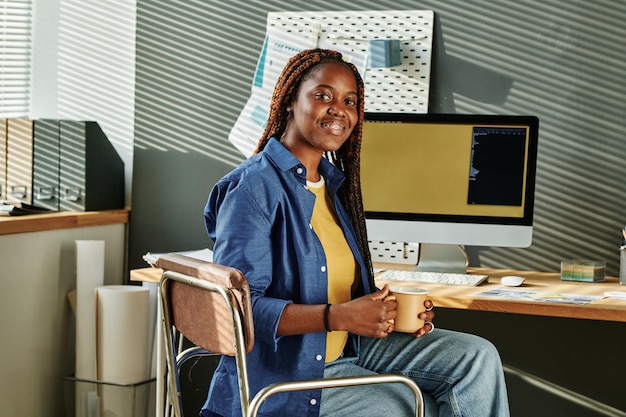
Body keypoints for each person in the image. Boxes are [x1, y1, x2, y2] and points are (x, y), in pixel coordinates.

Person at [201, 48, 510, 417]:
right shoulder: (252, 189)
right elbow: (240, 310)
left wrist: (388, 314)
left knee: (477, 358)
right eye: (322, 96)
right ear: (288, 101)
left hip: (349, 347)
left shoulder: (332, 186)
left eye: (350, 101)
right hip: (289, 375)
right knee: (409, 407)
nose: (339, 110)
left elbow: (335, 289)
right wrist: (338, 316)